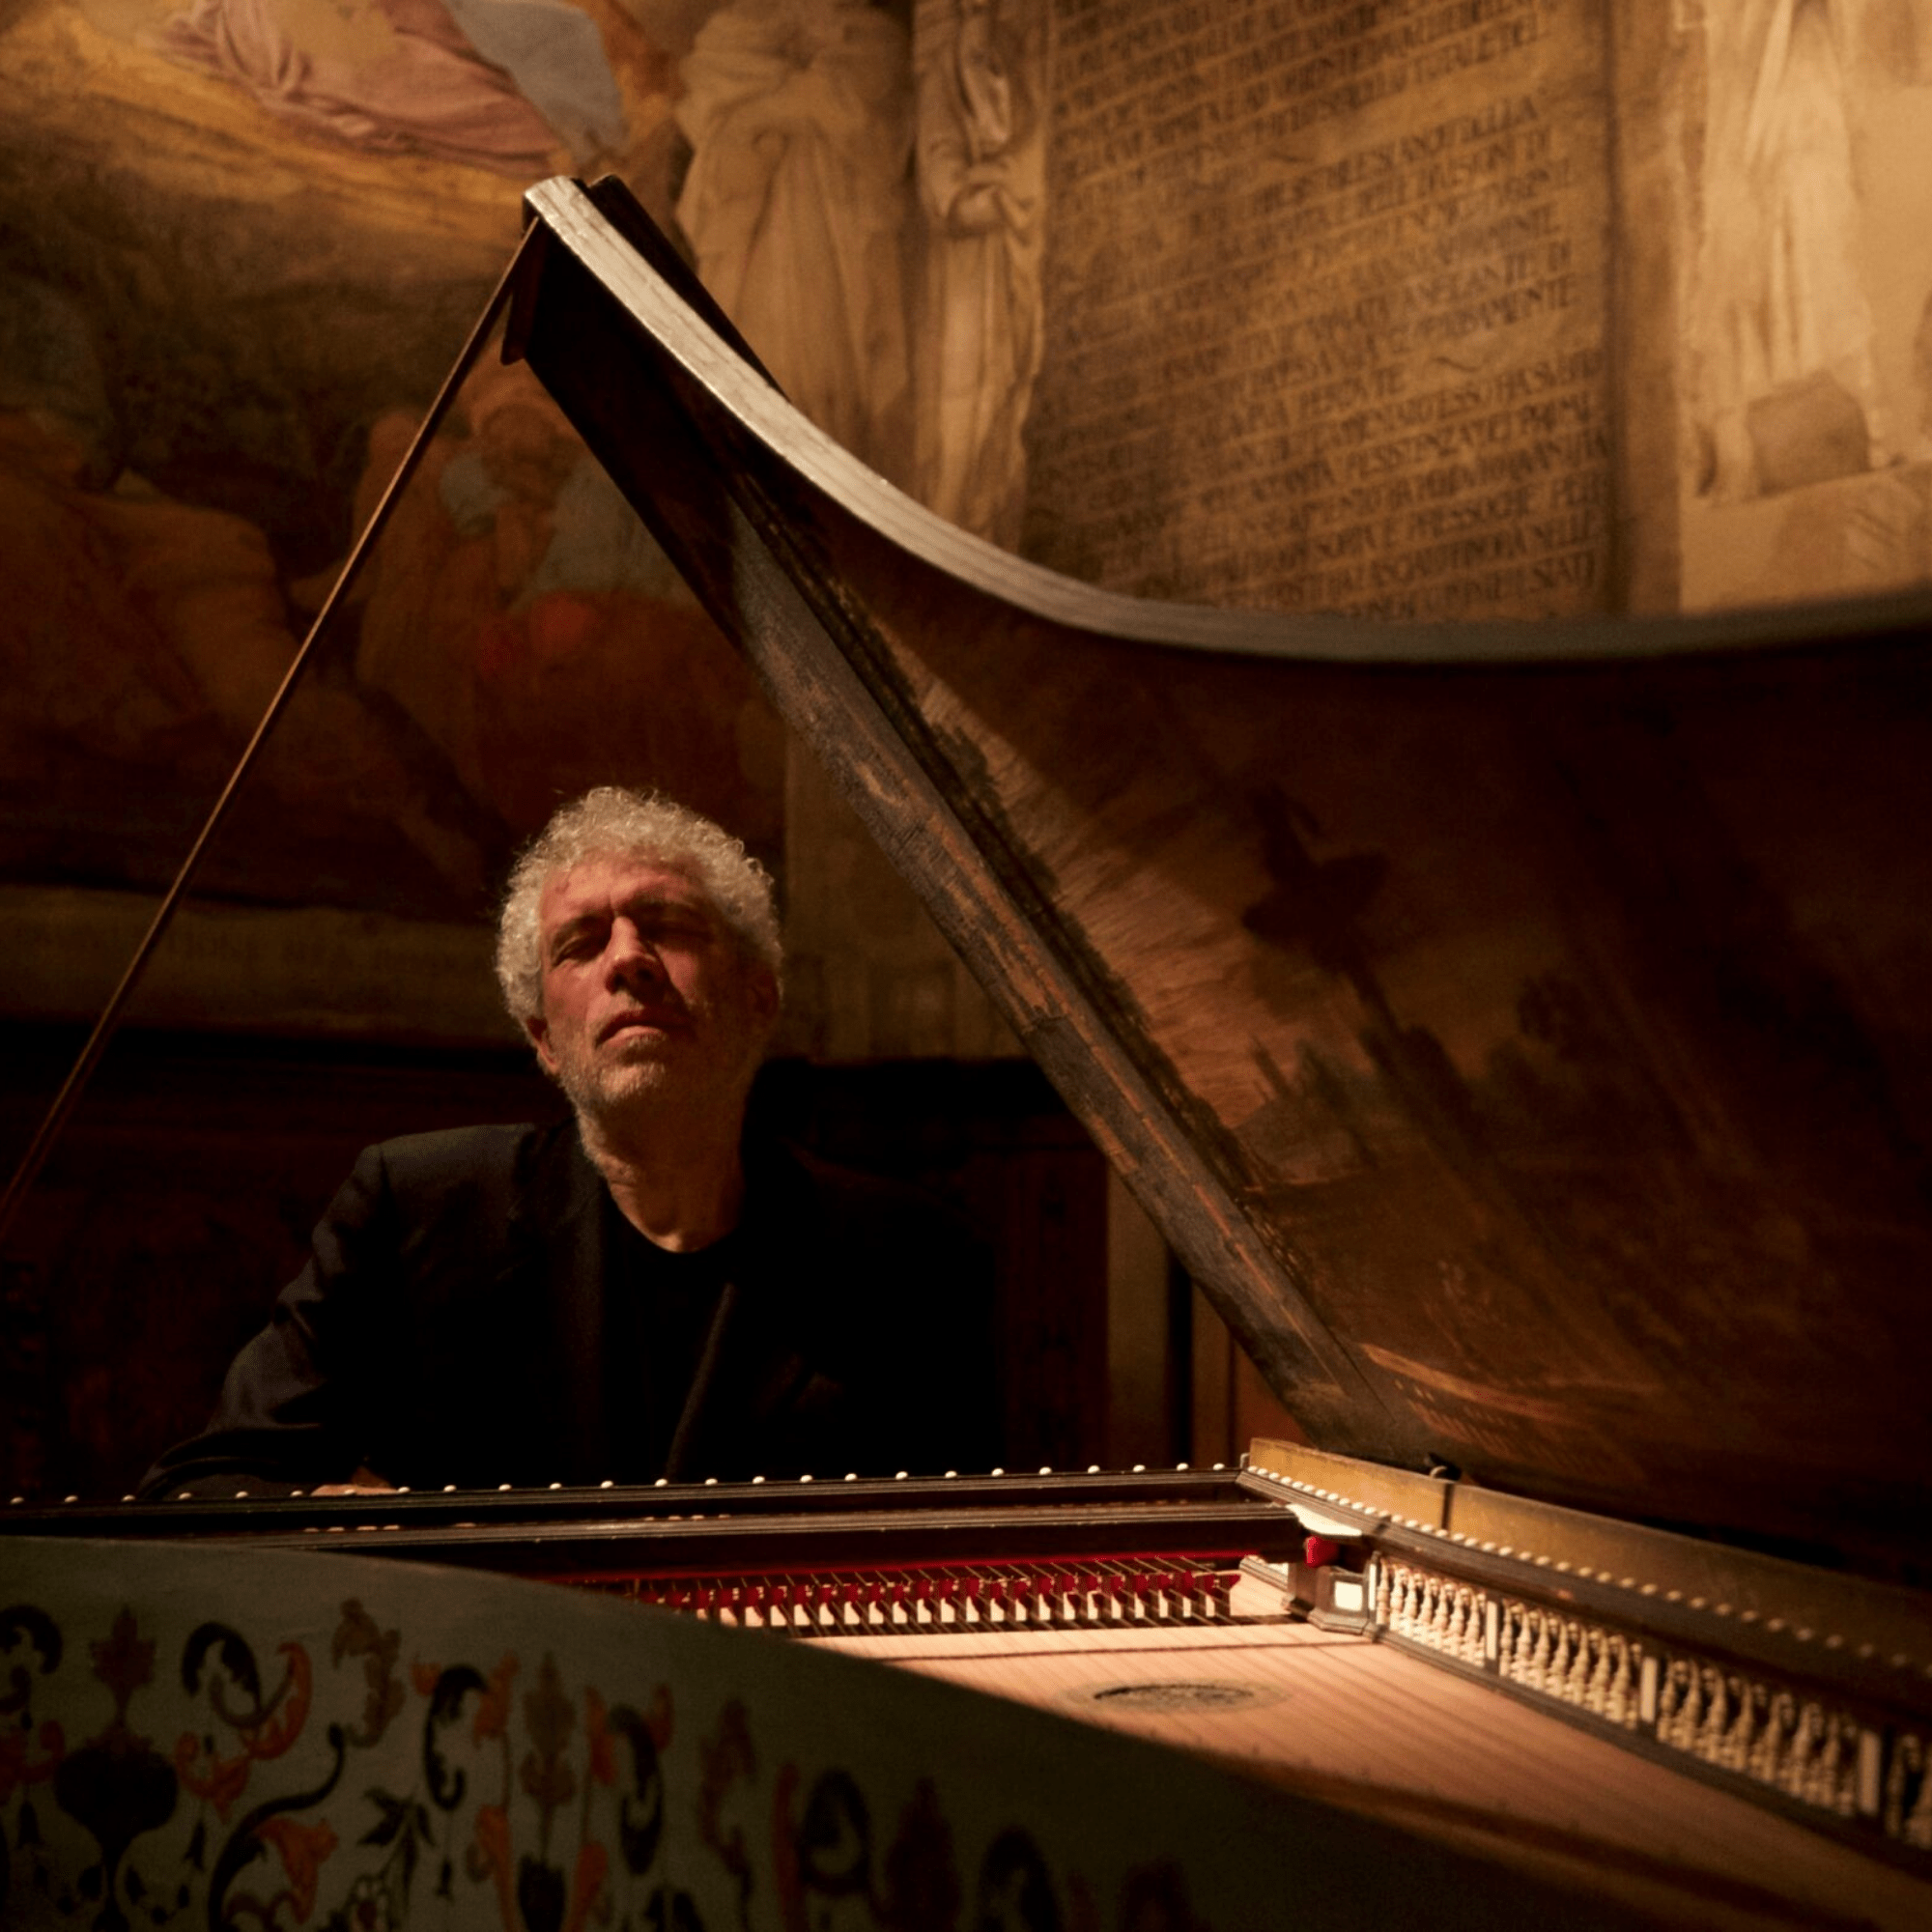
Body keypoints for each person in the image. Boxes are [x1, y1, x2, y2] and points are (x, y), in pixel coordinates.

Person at [140, 786, 999, 1497]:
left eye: (669, 924)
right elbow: (204, 1486)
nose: (629, 958)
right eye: (582, 943)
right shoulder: (415, 1210)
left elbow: (964, 1546)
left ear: (758, 998)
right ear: (545, 1039)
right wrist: (348, 1530)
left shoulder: (909, 1258)